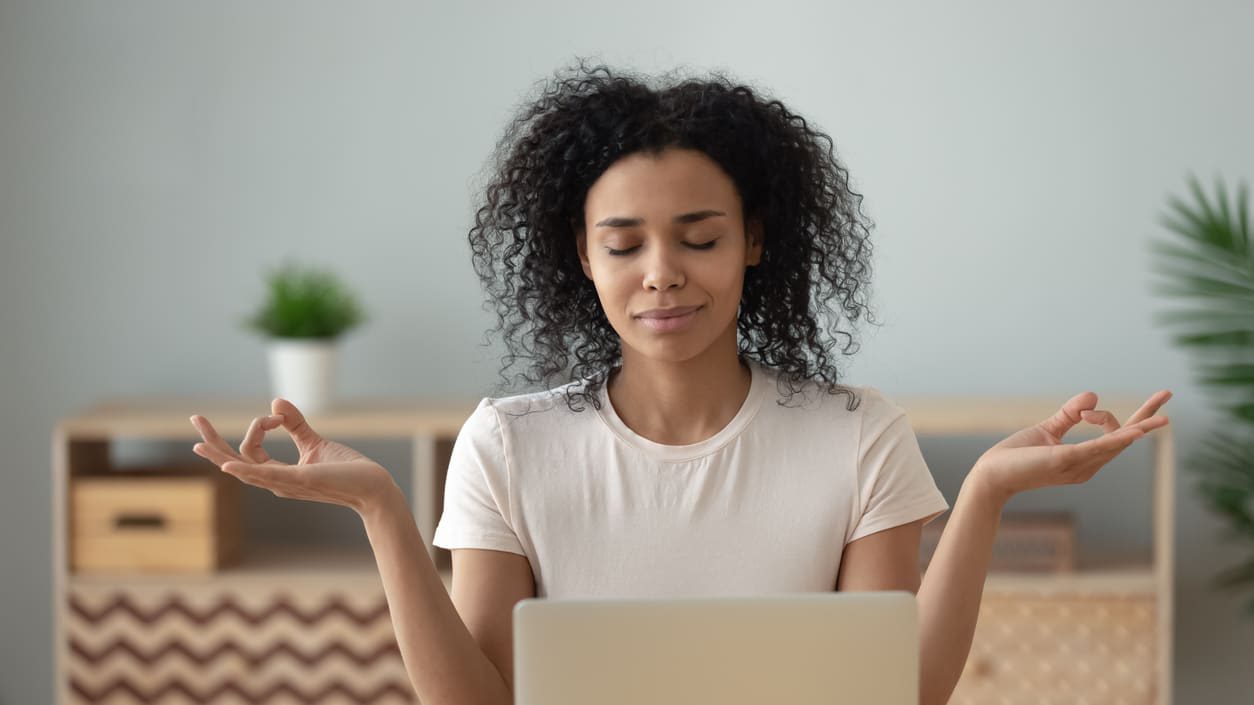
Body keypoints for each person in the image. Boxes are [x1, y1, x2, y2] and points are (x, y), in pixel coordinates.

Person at [188, 59, 1172, 705]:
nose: (661, 271)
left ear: (753, 242)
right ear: (581, 256)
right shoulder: (510, 441)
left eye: (699, 238)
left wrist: (988, 494)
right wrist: (382, 512)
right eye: (625, 244)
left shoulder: (857, 433)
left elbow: (899, 692)